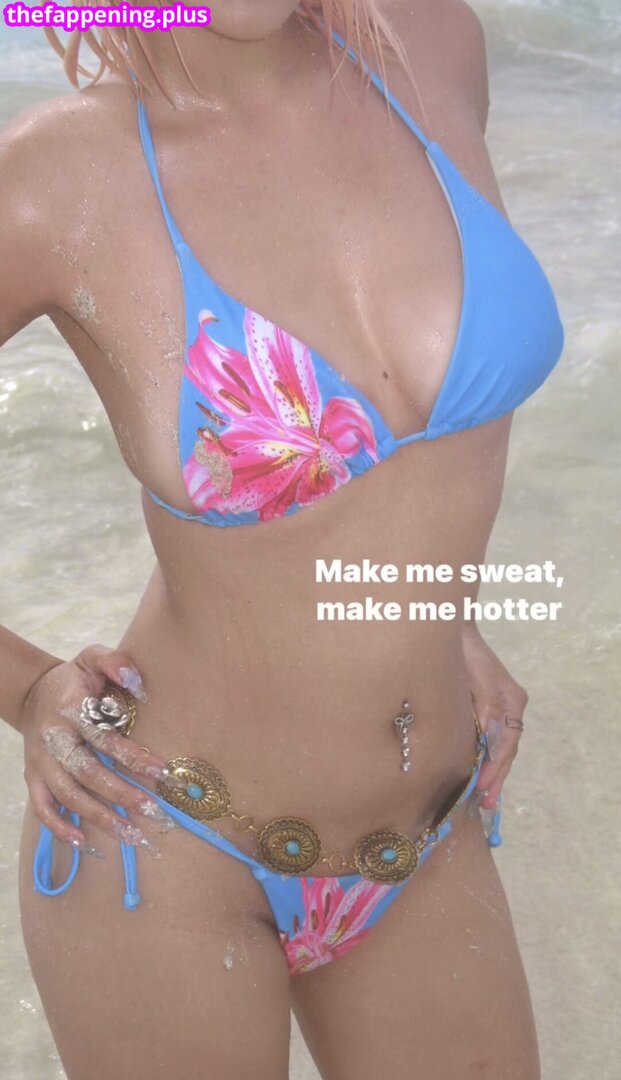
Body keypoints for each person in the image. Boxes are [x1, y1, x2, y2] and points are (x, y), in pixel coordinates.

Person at [0, 1, 564, 1077]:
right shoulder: (55, 180)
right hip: (168, 842)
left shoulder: (430, 43)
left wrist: (444, 618)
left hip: (426, 835)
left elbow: (423, 459)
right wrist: (27, 691)